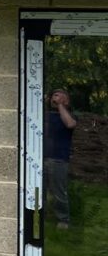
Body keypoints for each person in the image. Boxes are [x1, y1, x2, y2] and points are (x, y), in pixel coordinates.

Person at [44, 89, 77, 229]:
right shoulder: (45, 115)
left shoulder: (71, 116)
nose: (54, 97)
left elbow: (70, 124)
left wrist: (60, 106)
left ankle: (63, 220)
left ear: (66, 100)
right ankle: (40, 216)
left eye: (58, 95)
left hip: (58, 160)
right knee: (39, 190)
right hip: (41, 158)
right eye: (53, 95)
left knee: (58, 192)